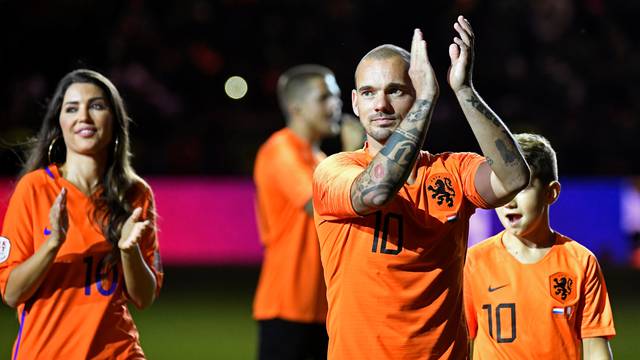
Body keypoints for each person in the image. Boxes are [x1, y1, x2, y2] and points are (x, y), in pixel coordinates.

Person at [312, 16, 530, 359]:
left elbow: (515, 178)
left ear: (415, 97)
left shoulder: (453, 171)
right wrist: (427, 98)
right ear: (355, 103)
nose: (380, 105)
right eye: (369, 93)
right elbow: (377, 190)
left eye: (395, 91)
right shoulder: (334, 170)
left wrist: (464, 91)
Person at [0, 69, 163, 359]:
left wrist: (129, 250)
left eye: (97, 106)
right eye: (72, 108)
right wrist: (52, 244)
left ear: (114, 120)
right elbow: (12, 294)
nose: (83, 117)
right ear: (59, 122)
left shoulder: (136, 194)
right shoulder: (34, 189)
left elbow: (144, 297)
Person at [463, 133, 616, 359]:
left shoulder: (580, 262)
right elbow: (458, 343)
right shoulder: (473, 262)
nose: (509, 200)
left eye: (522, 187)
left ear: (551, 192)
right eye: (503, 186)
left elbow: (595, 348)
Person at [253, 64, 364, 359]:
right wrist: (353, 156)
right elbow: (322, 207)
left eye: (337, 96)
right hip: (288, 307)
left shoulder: (319, 158)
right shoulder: (281, 150)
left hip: (322, 307)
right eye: (325, 97)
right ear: (296, 107)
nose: (336, 104)